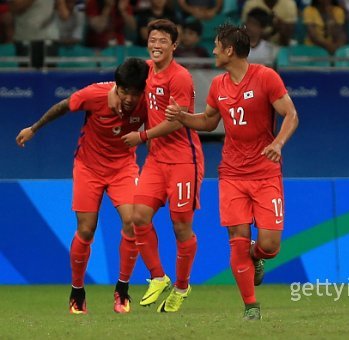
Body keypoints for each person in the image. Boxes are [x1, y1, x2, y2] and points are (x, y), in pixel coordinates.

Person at [165, 23, 299, 320]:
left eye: (215, 45)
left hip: (265, 172)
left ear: (229, 50)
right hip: (232, 175)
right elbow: (210, 122)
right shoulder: (217, 85)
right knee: (236, 239)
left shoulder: (265, 77)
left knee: (270, 244)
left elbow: (291, 114)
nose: (212, 50)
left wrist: (278, 144)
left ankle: (257, 255)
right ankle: (251, 306)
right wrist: (183, 117)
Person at [15, 58, 150, 314]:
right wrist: (34, 128)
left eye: (135, 92)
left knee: (133, 223)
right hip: (88, 168)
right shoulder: (94, 94)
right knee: (86, 231)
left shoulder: (148, 101)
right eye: (125, 91)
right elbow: (63, 106)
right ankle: (77, 291)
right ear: (117, 87)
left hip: (124, 167)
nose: (130, 98)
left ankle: (122, 289)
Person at [111, 18, 204, 314]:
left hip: (183, 159)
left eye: (163, 41)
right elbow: (122, 85)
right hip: (156, 159)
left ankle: (181, 286)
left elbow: (176, 119)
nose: (156, 45)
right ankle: (157, 277)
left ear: (174, 46)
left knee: (180, 226)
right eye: (152, 40)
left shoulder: (181, 78)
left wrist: (142, 135)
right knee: (138, 216)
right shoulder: (146, 72)